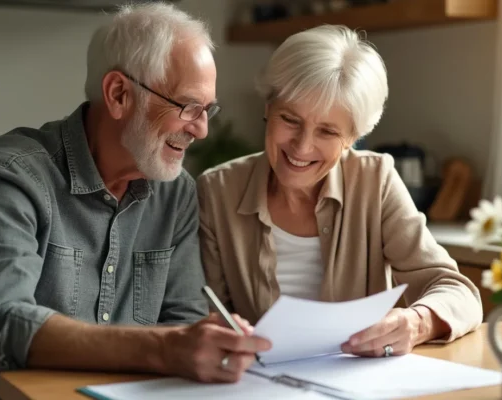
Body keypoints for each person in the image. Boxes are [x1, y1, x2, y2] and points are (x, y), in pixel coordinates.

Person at [0, 4, 270, 399]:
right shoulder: (9, 176)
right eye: (188, 106)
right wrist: (166, 348)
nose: (201, 130)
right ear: (119, 95)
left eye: (208, 110)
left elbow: (182, 319)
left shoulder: (176, 192)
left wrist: (207, 348)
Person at [197, 25, 483, 358]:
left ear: (352, 137)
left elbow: (457, 290)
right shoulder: (217, 191)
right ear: (267, 108)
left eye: (327, 131)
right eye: (290, 119)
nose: (302, 146)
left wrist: (417, 321)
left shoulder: (374, 181)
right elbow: (204, 313)